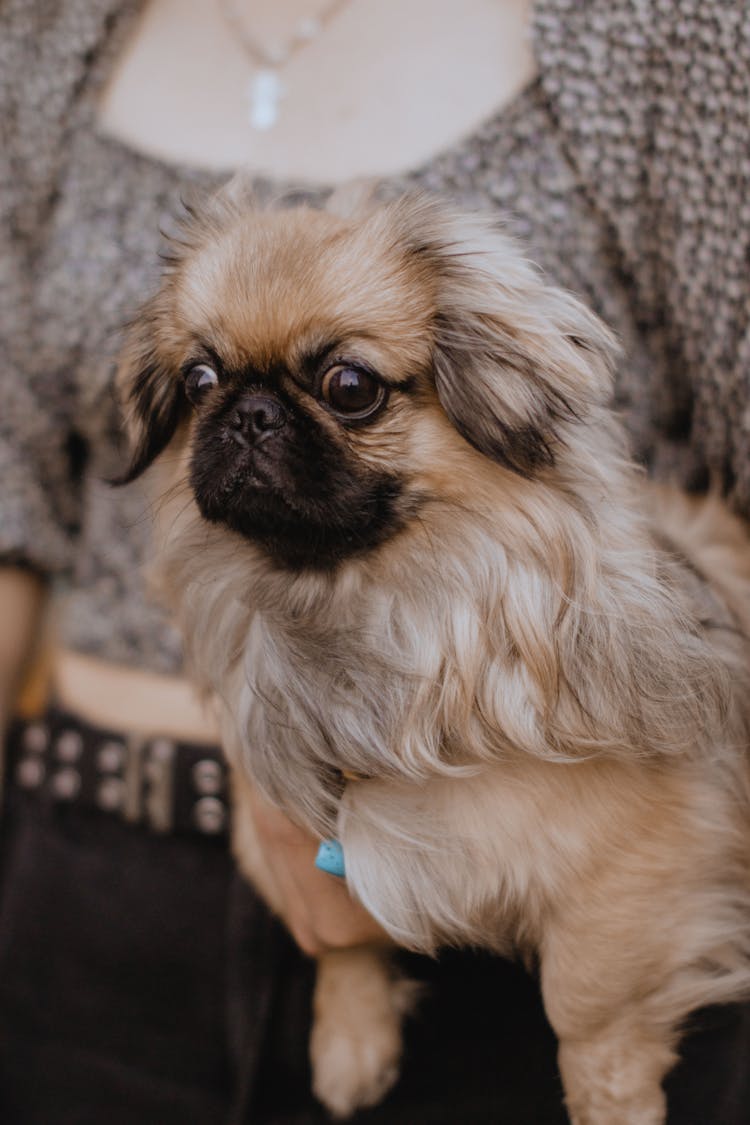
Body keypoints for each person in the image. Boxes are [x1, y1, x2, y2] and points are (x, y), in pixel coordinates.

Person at [1, 1, 749, 1122]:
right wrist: (281, 776)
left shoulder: (664, 27)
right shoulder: (42, 29)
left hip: (541, 948)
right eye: (207, 387)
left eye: (346, 390)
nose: (249, 425)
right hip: (91, 884)